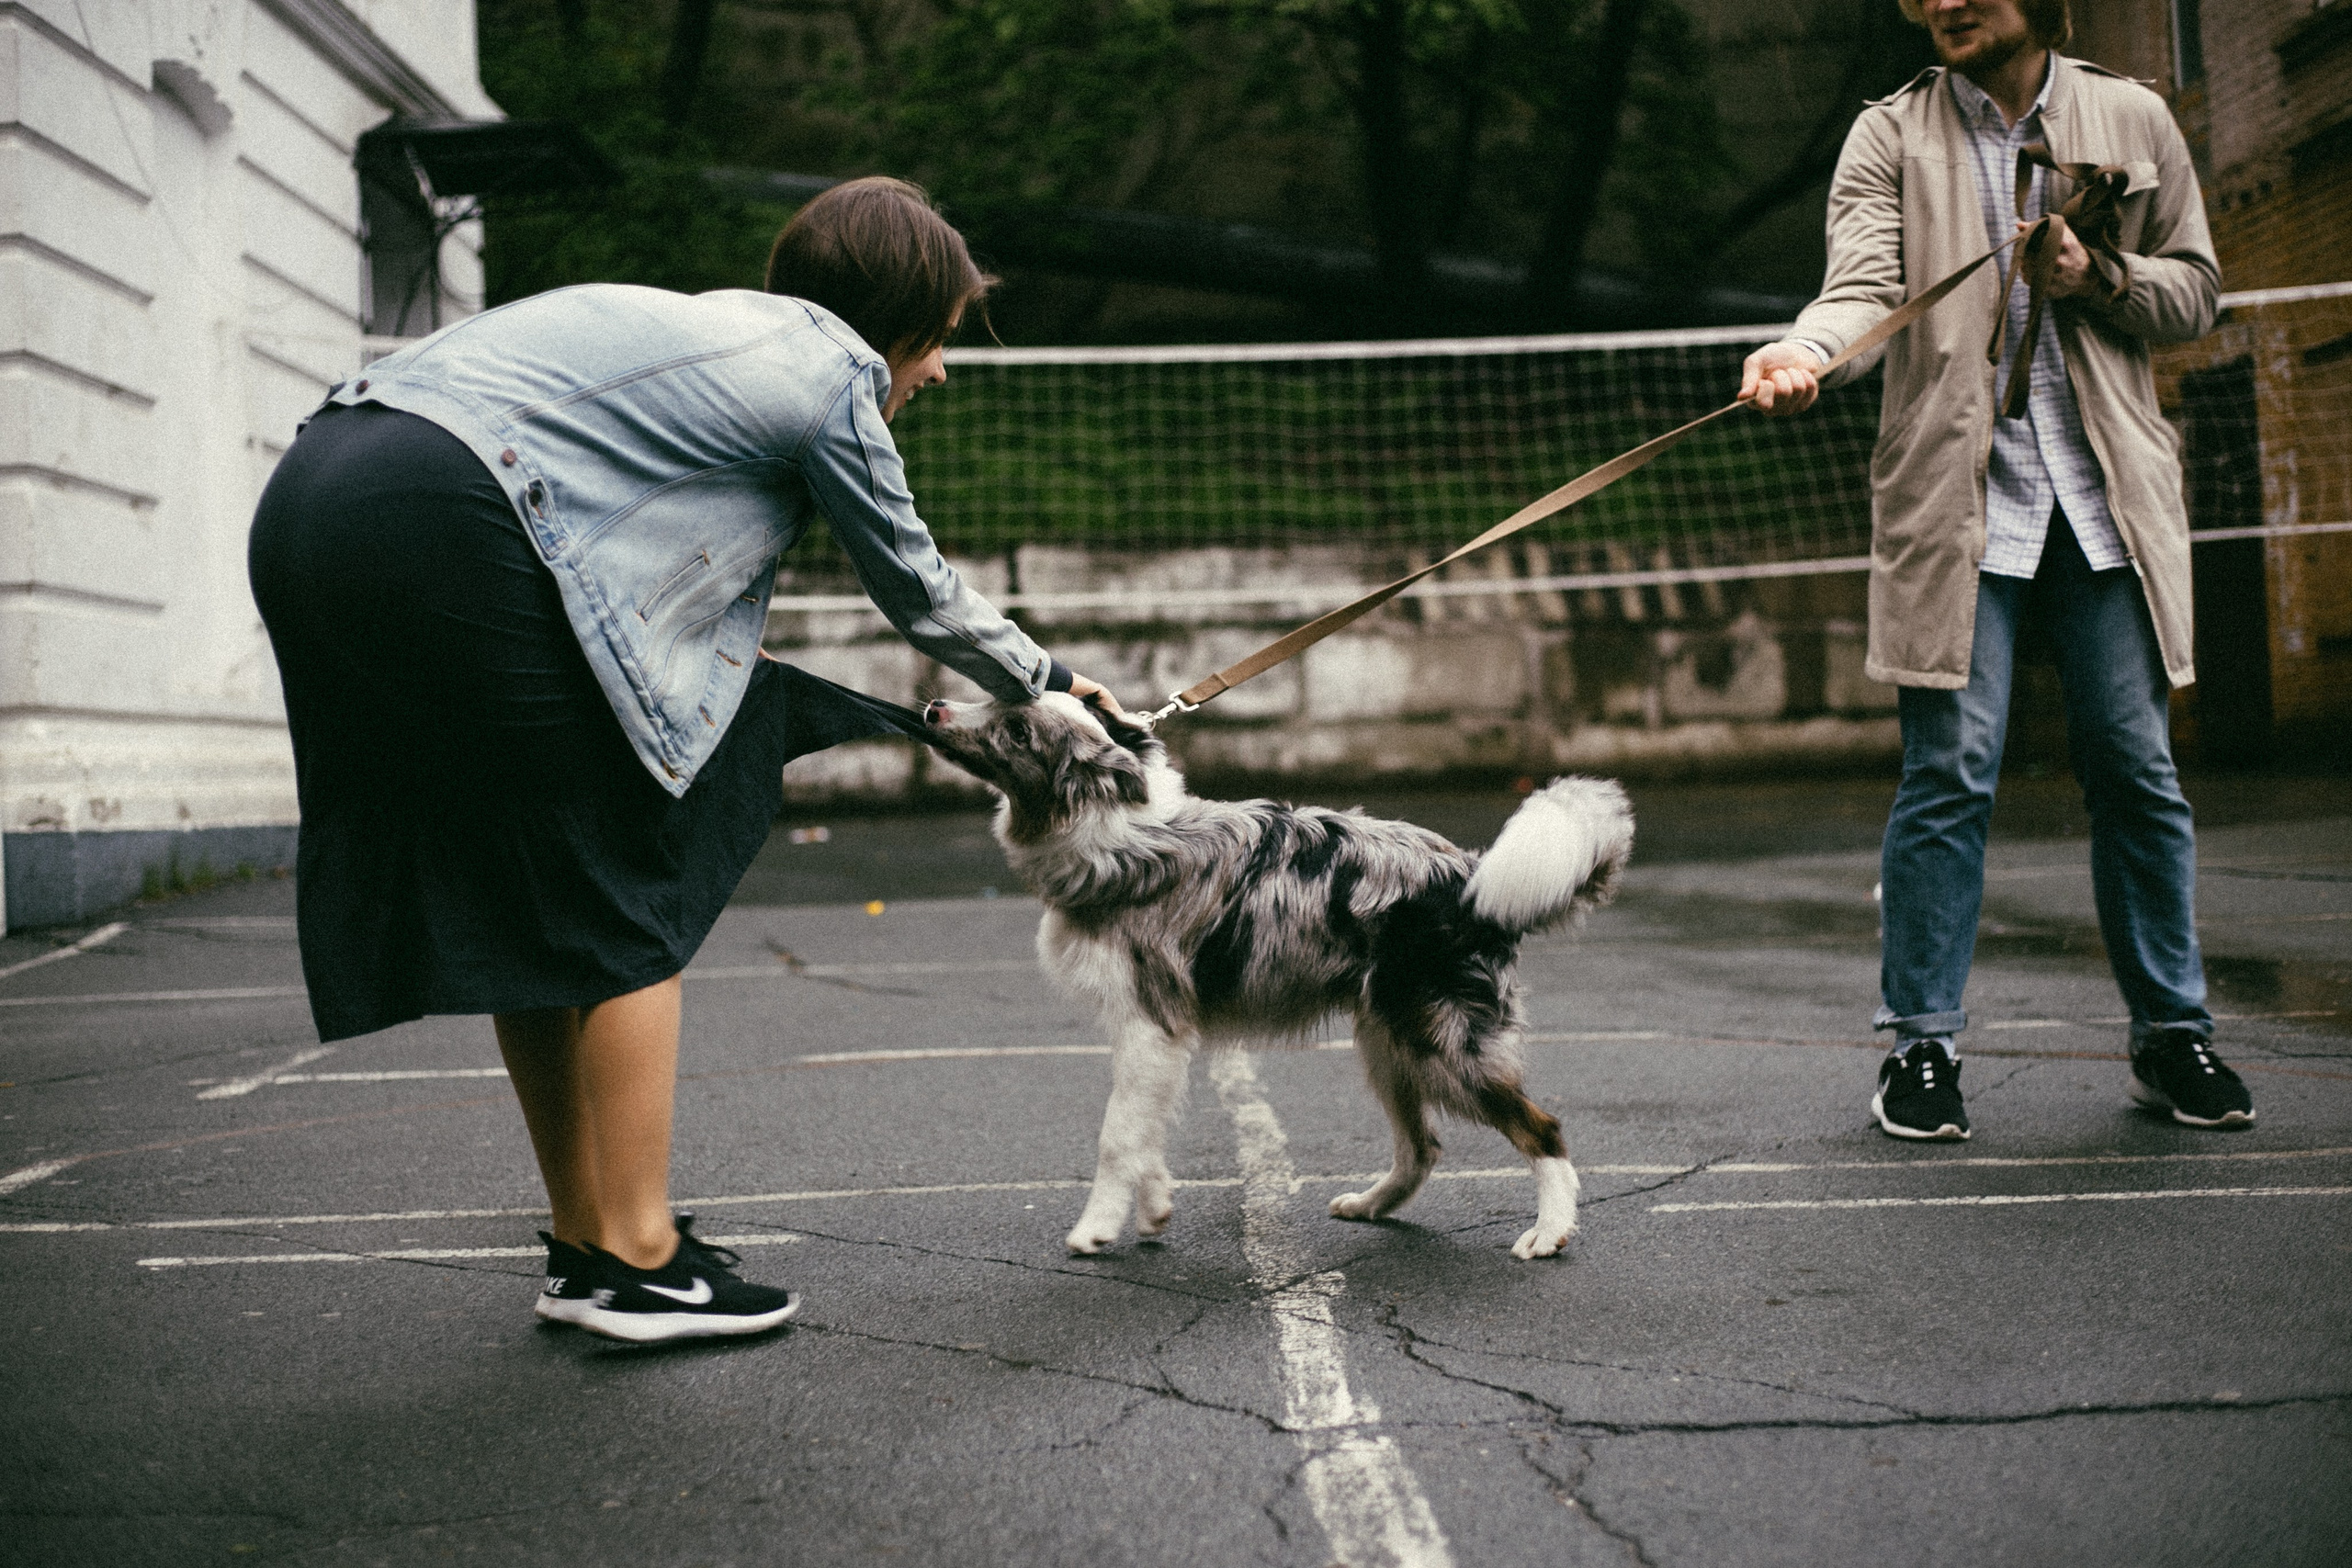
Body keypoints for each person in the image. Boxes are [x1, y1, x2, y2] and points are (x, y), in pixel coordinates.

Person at [249, 177, 1121, 1342]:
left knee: (537, 901)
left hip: (312, 496)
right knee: (625, 882)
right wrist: (1051, 682)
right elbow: (918, 588)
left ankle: (588, 1244)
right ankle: (643, 1257)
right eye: (941, 338)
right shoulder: (827, 369)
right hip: (448, 509)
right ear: (897, 316)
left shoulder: (707, 339)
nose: (941, 370)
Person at [1739, 0, 2251, 1140]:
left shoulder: (2130, 116)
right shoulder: (1890, 133)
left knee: (2136, 770)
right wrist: (1803, 350)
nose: (1945, 1)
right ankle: (1920, 1048)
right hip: (1957, 509)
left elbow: (2195, 294)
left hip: (2103, 506)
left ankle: (2171, 1035)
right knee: (1951, 773)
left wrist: (2094, 274)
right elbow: (1861, 289)